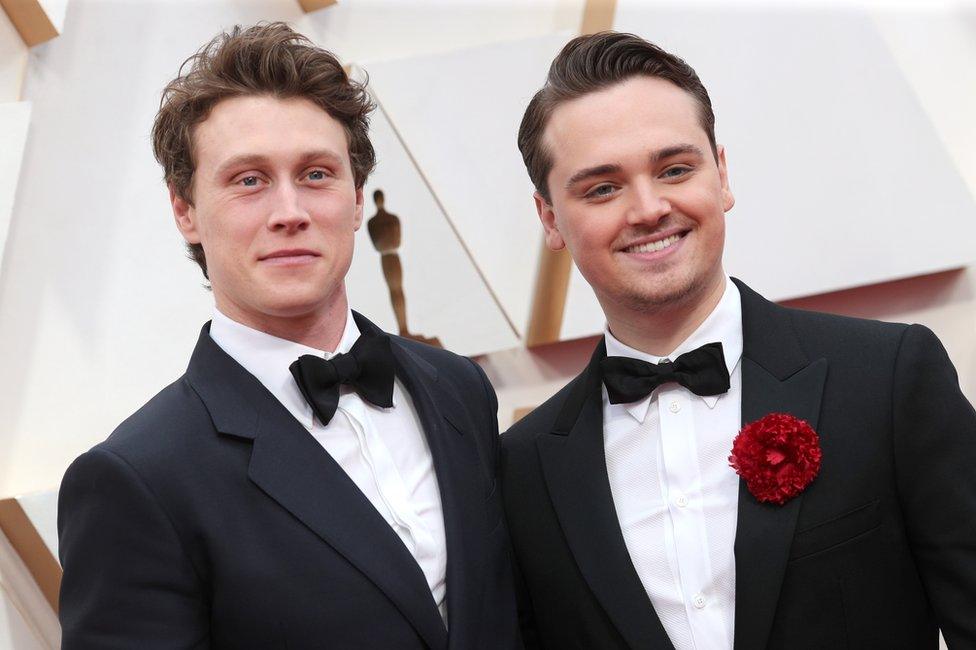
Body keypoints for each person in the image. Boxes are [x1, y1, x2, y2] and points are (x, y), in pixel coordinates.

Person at [501, 31, 976, 649]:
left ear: (720, 175)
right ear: (549, 219)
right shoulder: (522, 468)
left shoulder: (888, 378)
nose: (648, 208)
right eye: (602, 188)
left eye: (674, 169)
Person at [57, 23, 519, 650]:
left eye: (316, 174)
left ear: (357, 200)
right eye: (248, 179)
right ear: (184, 210)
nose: (289, 211)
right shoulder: (136, 479)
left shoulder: (458, 387)